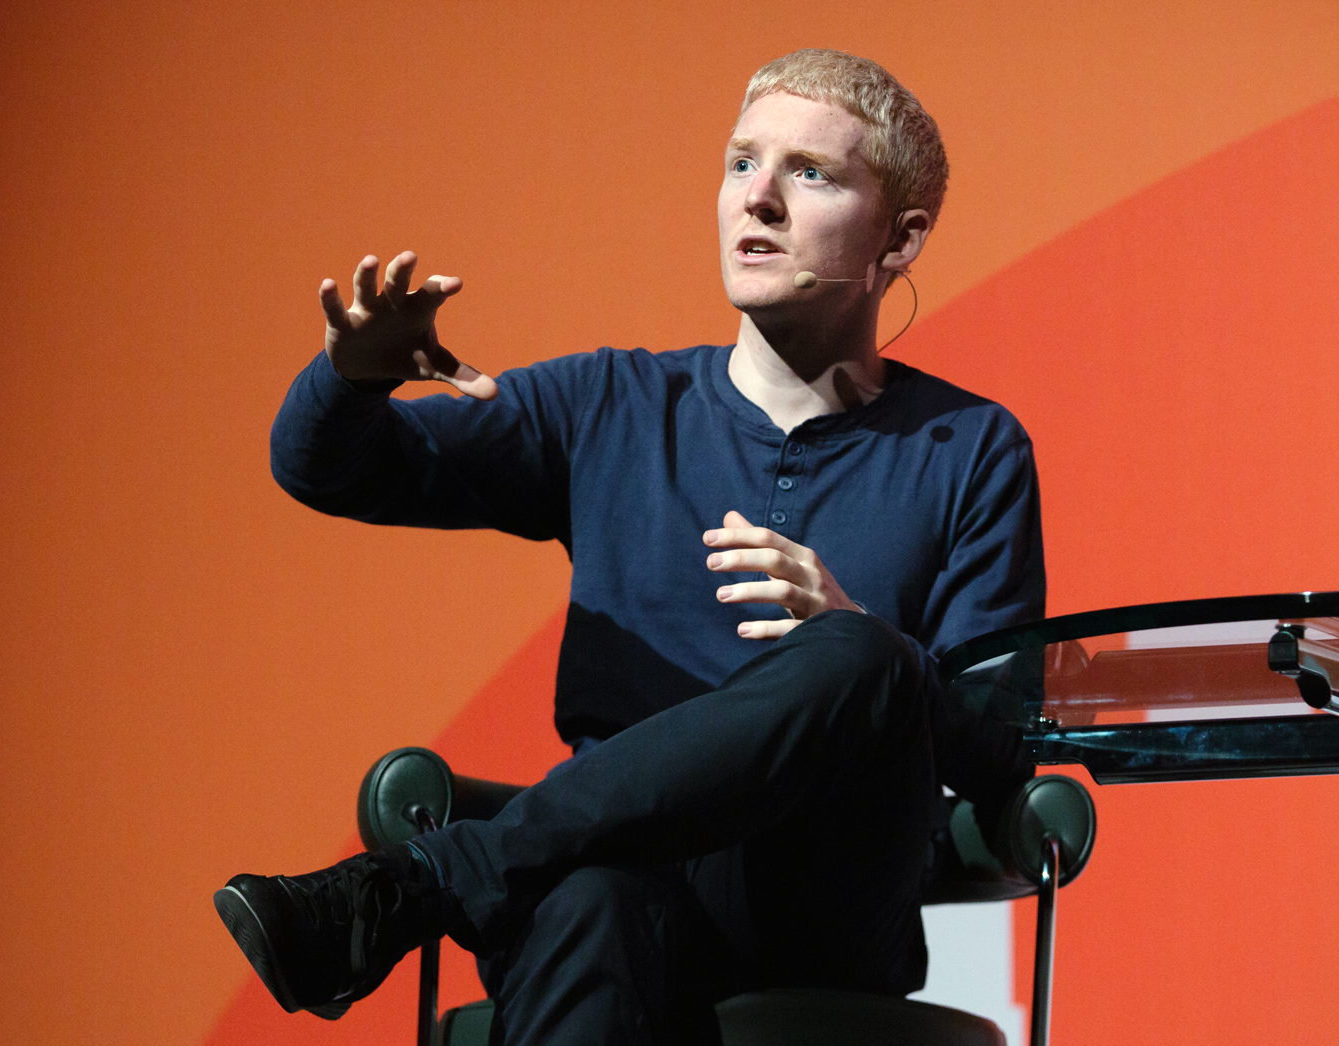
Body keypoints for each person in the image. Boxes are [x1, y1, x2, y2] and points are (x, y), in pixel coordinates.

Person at [214, 48, 1045, 1045]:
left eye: (811, 173)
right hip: (617, 871)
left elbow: (1001, 739)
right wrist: (352, 379)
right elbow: (330, 469)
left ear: (898, 239)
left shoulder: (972, 448)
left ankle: (425, 883)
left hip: (818, 895)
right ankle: (450, 879)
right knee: (585, 904)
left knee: (865, 654)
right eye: (743, 162)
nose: (760, 198)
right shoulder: (613, 403)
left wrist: (862, 640)